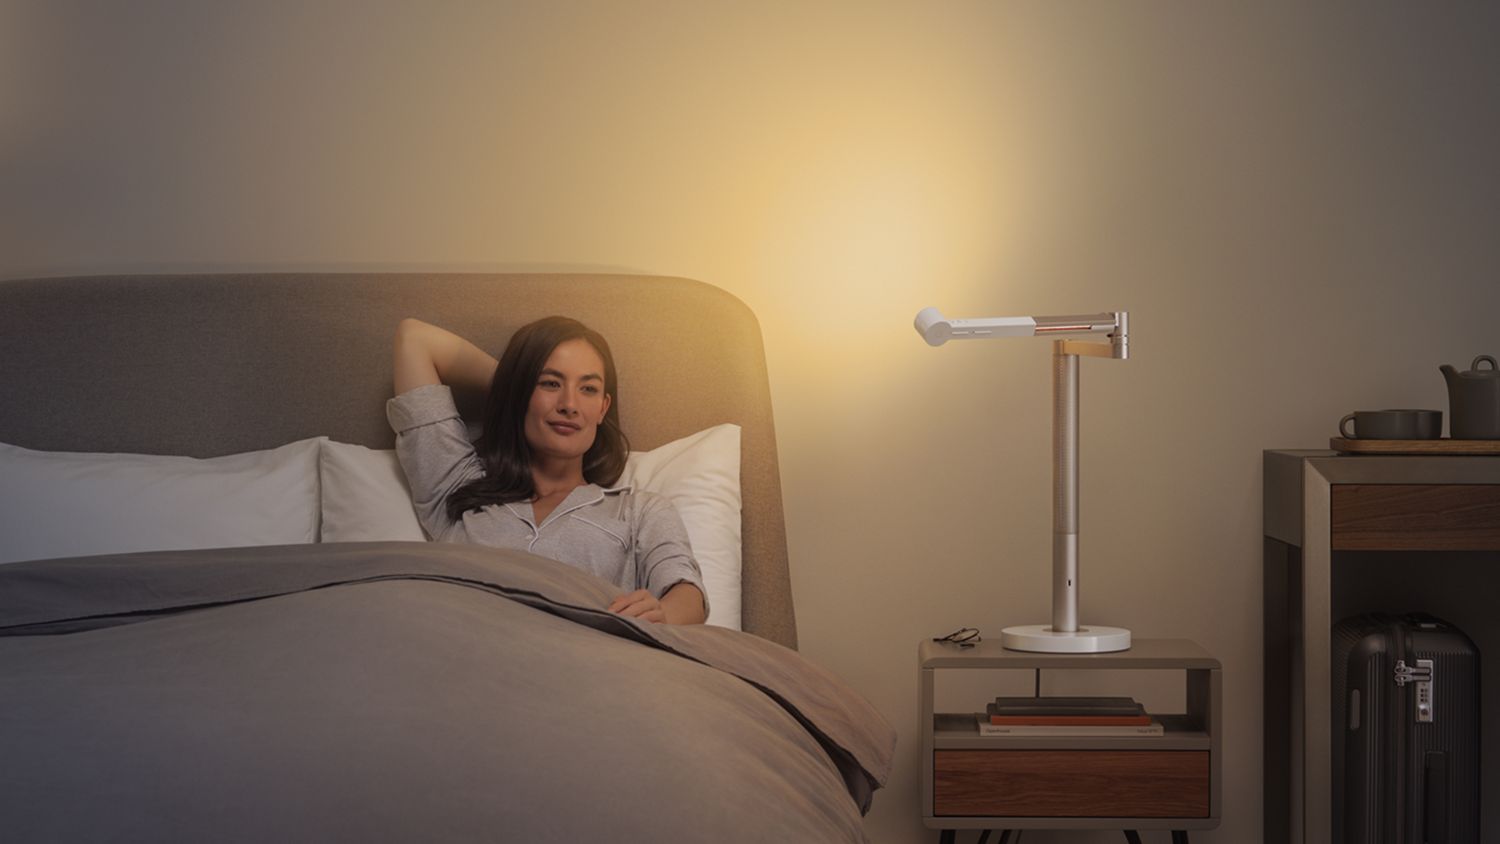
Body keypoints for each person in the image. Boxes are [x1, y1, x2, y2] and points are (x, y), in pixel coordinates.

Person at [387, 316, 707, 625]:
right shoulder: (455, 486)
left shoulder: (639, 511)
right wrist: (514, 389)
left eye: (588, 389)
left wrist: (664, 616)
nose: (569, 404)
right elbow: (415, 340)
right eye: (551, 383)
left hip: (583, 667)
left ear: (602, 408)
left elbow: (687, 593)